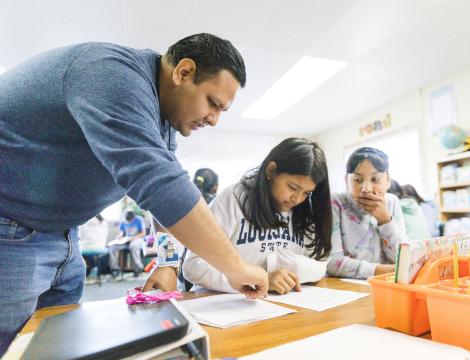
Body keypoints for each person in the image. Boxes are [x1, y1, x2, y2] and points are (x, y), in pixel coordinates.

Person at [0, 33, 268, 354]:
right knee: (10, 347)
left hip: (64, 236)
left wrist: (167, 264)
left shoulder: (163, 120)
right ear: (183, 72)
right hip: (9, 230)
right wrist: (236, 268)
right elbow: (160, 183)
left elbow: (161, 203)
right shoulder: (112, 73)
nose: (214, 119)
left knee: (52, 347)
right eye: (212, 103)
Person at [183, 138, 332, 294]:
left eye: (307, 193)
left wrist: (283, 265)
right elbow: (194, 266)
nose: (297, 199)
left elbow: (320, 265)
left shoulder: (304, 210)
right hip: (225, 305)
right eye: (292, 187)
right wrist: (260, 280)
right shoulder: (234, 199)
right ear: (271, 171)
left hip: (283, 306)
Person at [327, 147, 407, 279]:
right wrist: (385, 271)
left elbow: (403, 257)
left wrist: (385, 219)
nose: (366, 189)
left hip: (386, 286)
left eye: (375, 179)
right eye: (357, 180)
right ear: (347, 180)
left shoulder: (392, 202)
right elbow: (332, 263)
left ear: (387, 181)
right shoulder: (335, 202)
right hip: (347, 288)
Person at [108, 210, 146, 278]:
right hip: (126, 239)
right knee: (113, 247)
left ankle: (138, 268)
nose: (128, 222)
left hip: (138, 238)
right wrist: (120, 236)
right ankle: (115, 269)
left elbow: (143, 233)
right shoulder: (123, 220)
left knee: (133, 246)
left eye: (130, 220)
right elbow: (122, 231)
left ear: (134, 217)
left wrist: (133, 238)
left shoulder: (139, 220)